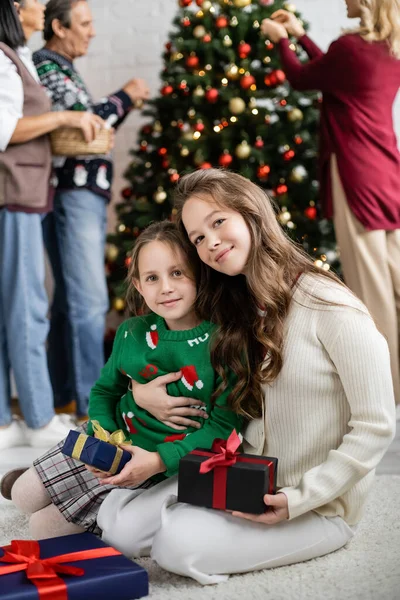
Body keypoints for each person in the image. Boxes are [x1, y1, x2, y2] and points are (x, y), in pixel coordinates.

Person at [96, 168, 395, 584]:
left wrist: (299, 499)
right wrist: (139, 394)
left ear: (252, 214)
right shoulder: (238, 304)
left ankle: (204, 527)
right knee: (119, 527)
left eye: (218, 222)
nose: (210, 242)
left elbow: (377, 424)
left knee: (176, 547)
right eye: (198, 237)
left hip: (314, 505)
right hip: (243, 474)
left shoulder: (331, 308)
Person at [10, 220, 242, 542]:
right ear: (138, 285)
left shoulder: (223, 343)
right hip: (107, 439)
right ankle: (25, 480)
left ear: (199, 273)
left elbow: (224, 427)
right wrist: (103, 437)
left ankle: (58, 493)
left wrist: (160, 460)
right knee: (22, 496)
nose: (166, 288)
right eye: (152, 278)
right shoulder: (131, 332)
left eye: (177, 273)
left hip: (153, 464)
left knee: (41, 530)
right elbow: (105, 391)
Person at [261, 0, 400, 409]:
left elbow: (304, 78)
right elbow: (332, 75)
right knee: (394, 280)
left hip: (355, 172)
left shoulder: (350, 48)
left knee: (372, 290)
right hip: (387, 170)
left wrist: (281, 42)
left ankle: (386, 394)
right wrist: (301, 36)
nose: (344, 1)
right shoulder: (389, 49)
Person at [33, 0, 151, 418]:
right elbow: (88, 121)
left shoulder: (62, 67)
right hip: (74, 194)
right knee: (87, 301)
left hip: (82, 194)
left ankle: (66, 395)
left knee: (71, 300)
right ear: (60, 27)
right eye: (84, 23)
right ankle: (91, 407)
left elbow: (86, 125)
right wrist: (126, 96)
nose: (92, 31)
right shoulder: (47, 64)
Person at [0, 0, 106, 451]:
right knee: (28, 306)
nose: (42, 6)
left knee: (17, 306)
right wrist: (64, 117)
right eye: (35, 2)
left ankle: (5, 421)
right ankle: (41, 416)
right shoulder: (5, 58)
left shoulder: (15, 56)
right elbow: (5, 128)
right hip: (16, 193)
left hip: (21, 193)